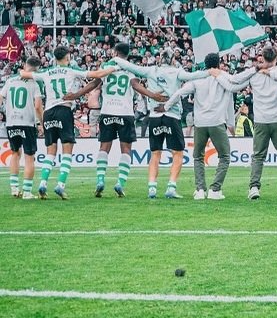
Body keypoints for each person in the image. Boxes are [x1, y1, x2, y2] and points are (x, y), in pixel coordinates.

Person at [108, 48, 208, 199]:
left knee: (155, 153)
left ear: (160, 59)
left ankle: (152, 188)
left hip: (154, 116)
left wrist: (115, 59)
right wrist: (210, 72)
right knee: (177, 153)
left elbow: (131, 67)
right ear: (173, 59)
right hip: (172, 115)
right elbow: (193, 75)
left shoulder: (151, 70)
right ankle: (171, 187)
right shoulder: (177, 72)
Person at [78, 43, 167, 198]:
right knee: (126, 149)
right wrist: (153, 95)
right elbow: (136, 86)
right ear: (128, 54)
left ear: (115, 52)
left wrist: (76, 94)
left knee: (104, 147)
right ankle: (120, 183)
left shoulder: (107, 67)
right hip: (125, 113)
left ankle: (100, 180)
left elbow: (94, 83)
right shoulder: (131, 69)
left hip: (107, 111)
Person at [162, 53, 250, 200]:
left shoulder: (198, 79)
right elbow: (234, 91)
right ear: (219, 64)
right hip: (217, 122)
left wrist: (166, 106)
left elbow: (180, 93)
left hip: (200, 124)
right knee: (225, 156)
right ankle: (215, 189)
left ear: (205, 64)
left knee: (198, 157)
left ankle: (200, 190)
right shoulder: (224, 77)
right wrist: (231, 126)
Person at [229, 47, 277, 201]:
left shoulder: (254, 74)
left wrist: (255, 68)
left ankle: (254, 187)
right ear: (276, 58)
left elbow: (235, 79)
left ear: (262, 58)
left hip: (260, 121)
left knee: (258, 155)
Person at [21, 45, 86, 200]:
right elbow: (95, 74)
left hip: (49, 113)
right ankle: (60, 185)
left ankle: (42, 184)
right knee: (67, 152)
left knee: (50, 152)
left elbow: (24, 73)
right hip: (64, 110)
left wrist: (23, 72)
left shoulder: (46, 72)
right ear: (67, 57)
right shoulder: (71, 70)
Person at [1, 57, 43, 199]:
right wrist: (41, 123)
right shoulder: (35, 83)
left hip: (11, 122)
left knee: (15, 153)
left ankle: (14, 189)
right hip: (27, 122)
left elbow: (0, 97)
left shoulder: (10, 80)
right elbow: (37, 106)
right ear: (37, 69)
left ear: (25, 65)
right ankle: (26, 191)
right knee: (29, 157)